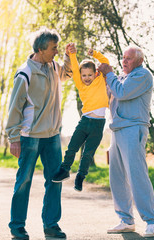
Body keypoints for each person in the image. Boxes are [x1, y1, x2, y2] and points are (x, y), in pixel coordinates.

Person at [5, 28, 73, 240]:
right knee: (24, 182)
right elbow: (14, 108)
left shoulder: (53, 66)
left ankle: (51, 225)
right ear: (41, 49)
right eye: (54, 48)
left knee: (54, 181)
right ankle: (17, 226)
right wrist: (13, 138)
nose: (55, 51)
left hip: (52, 136)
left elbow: (68, 74)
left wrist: (68, 57)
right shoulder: (25, 73)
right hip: (30, 137)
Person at [98, 46, 154, 238]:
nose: (124, 61)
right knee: (117, 177)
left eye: (129, 59)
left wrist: (109, 75)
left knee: (136, 175)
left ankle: (151, 221)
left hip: (133, 129)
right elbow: (111, 94)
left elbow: (122, 93)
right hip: (117, 129)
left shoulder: (142, 75)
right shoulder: (123, 77)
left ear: (139, 61)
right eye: (123, 58)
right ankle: (126, 220)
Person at [52, 45, 109, 192]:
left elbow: (106, 62)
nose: (86, 78)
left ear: (96, 74)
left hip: (98, 125)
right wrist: (72, 54)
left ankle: (80, 177)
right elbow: (76, 67)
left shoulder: (100, 79)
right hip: (84, 122)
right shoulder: (80, 84)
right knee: (72, 147)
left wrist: (94, 53)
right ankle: (64, 169)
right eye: (84, 75)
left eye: (89, 75)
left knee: (88, 154)